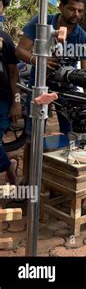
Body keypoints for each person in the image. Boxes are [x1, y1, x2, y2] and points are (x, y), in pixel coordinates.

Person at [16, 0, 86, 183]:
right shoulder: (42, 23)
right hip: (39, 84)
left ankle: (65, 181)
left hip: (67, 91)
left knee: (71, 135)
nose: (76, 14)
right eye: (71, 9)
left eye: (80, 11)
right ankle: (28, 180)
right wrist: (39, 60)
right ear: (61, 6)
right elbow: (21, 50)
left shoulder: (82, 36)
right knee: (33, 136)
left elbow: (85, 72)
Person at [0, 27, 21, 185]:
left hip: (2, 99)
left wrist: (17, 101)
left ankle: (8, 166)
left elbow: (14, 73)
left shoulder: (4, 38)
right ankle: (9, 165)